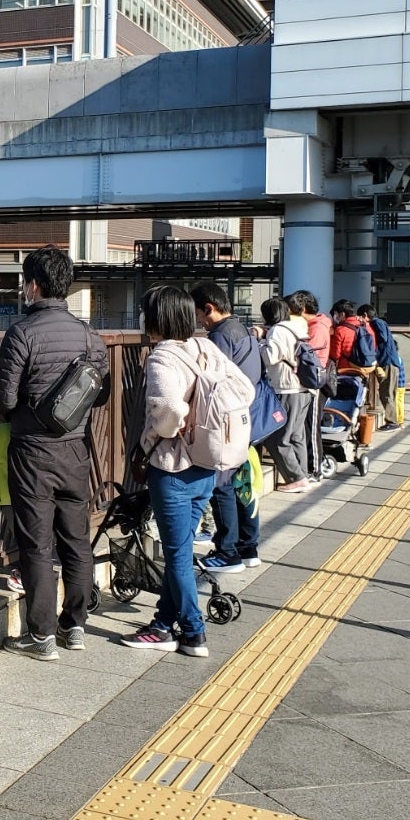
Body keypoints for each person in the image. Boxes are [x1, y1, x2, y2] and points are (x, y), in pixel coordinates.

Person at [0, 245, 107, 661]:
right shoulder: (91, 336)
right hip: (76, 449)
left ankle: (40, 635)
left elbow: (5, 400)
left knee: (37, 544)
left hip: (32, 452)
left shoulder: (21, 334)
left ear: (33, 285)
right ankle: (75, 626)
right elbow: (101, 394)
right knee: (76, 539)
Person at [120, 285, 224, 658]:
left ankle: (194, 632)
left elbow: (169, 409)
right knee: (181, 550)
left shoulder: (162, 357)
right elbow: (240, 389)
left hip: (173, 468)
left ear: (155, 318)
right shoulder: (205, 348)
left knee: (177, 556)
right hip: (206, 464)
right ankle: (163, 624)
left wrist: (169, 428)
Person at [189, 282, 263, 576]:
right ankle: (248, 547)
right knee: (243, 485)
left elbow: (211, 382)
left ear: (208, 308)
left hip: (226, 422)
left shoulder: (219, 336)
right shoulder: (242, 330)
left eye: (198, 314)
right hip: (246, 418)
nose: (199, 322)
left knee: (222, 486)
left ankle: (227, 551)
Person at [259, 296, 313, 491]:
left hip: (287, 388)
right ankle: (303, 475)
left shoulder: (277, 331)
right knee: (297, 436)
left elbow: (270, 357)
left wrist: (260, 342)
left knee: (277, 438)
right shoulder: (297, 328)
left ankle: (296, 477)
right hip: (304, 388)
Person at [294, 291, 333, 482]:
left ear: (301, 309)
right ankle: (311, 465)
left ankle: (315, 469)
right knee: (308, 425)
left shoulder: (317, 328)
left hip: (314, 383)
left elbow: (308, 357)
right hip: (310, 381)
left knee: (311, 426)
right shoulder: (317, 324)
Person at [329, 299, 384, 427]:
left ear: (342, 314)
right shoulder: (366, 326)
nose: (335, 318)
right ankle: (362, 428)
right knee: (360, 400)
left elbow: (335, 355)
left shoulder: (341, 330)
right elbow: (373, 347)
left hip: (346, 371)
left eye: (336, 314)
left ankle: (341, 424)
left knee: (344, 401)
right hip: (365, 369)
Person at [359, 305, 401, 430]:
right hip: (390, 362)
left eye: (360, 317)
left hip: (388, 362)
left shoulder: (377, 323)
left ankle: (392, 422)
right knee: (388, 393)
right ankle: (393, 420)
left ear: (365, 315)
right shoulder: (380, 322)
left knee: (386, 393)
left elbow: (383, 338)